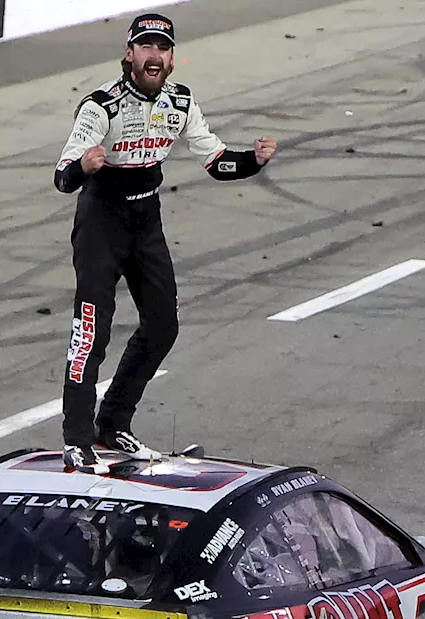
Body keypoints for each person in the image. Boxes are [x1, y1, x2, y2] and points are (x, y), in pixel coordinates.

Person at [54, 12, 278, 473]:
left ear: (173, 58)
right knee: (90, 331)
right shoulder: (101, 106)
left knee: (163, 325)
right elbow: (61, 176)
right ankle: (77, 438)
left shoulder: (181, 102)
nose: (154, 56)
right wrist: (84, 167)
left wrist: (252, 161)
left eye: (163, 48)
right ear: (129, 54)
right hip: (101, 221)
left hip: (146, 220)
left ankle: (113, 420)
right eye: (146, 47)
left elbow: (216, 161)